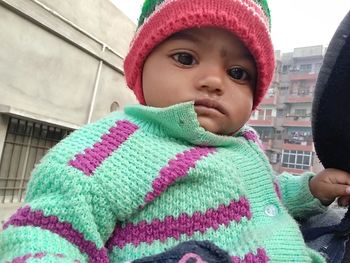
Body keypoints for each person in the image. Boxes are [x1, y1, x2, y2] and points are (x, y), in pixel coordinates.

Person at [1, 0, 350, 262]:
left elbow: (262, 196)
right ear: (140, 69)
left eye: (238, 73)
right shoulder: (114, 146)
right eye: (185, 59)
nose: (214, 81)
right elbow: (44, 233)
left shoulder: (242, 144)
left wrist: (309, 190)